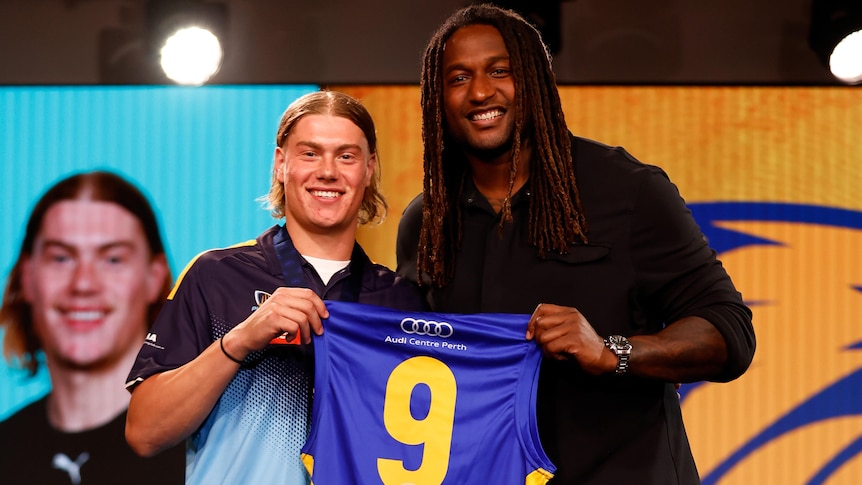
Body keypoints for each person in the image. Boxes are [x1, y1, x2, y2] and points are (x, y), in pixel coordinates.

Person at [396, 4, 756, 484]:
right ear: (437, 100)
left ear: (535, 80)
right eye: (458, 78)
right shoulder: (426, 222)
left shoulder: (629, 192)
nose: (481, 91)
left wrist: (612, 351)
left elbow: (729, 334)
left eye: (499, 71)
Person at [124, 90, 425, 485]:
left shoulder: (401, 301)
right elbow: (144, 433)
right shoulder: (216, 274)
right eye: (310, 153)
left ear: (369, 170)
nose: (328, 172)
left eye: (347, 156)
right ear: (281, 164)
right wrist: (241, 339)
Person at [0, 171, 185, 484]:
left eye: (113, 259)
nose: (83, 284)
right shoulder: (5, 451)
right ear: (27, 277)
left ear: (154, 278)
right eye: (61, 258)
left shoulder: (210, 446)